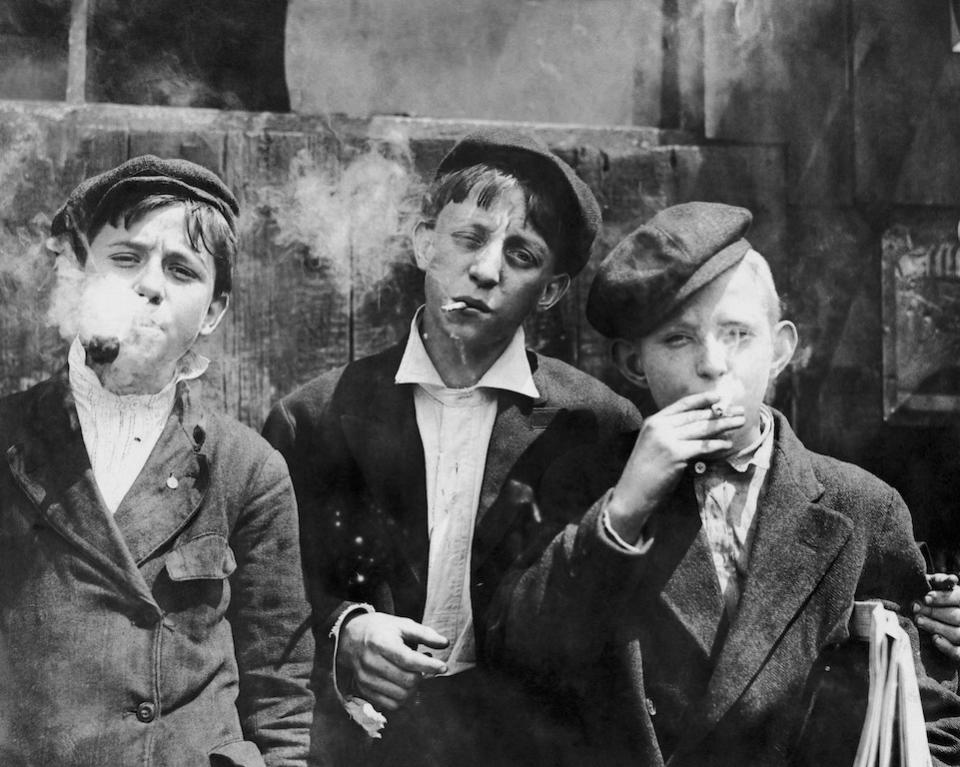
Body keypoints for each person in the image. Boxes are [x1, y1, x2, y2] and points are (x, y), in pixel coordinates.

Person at [484, 201, 960, 766]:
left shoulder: (861, 506)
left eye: (737, 334)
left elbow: (931, 720)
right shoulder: (586, 487)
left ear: (781, 349)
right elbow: (518, 659)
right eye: (677, 340)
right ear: (634, 364)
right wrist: (622, 512)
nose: (712, 364)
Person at [262, 129, 641, 766]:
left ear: (549, 290)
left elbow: (608, 633)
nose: (487, 270)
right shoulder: (317, 417)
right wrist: (344, 632)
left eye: (522, 256)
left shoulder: (598, 430)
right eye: (468, 239)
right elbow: (269, 597)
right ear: (423, 242)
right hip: (366, 749)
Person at [0, 156, 314, 766]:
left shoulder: (247, 469)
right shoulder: (8, 437)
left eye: (181, 269)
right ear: (78, 275)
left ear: (214, 310)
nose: (150, 285)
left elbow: (281, 690)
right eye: (125, 258)